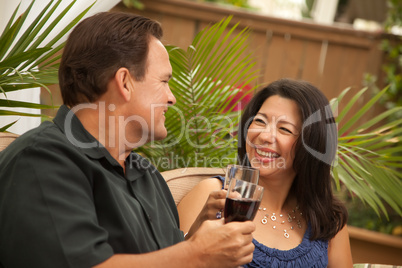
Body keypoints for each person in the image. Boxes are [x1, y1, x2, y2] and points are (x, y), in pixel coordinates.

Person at [0, 12, 256, 268]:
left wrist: (196, 238)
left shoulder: (145, 174)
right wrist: (196, 255)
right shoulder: (42, 160)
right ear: (125, 82)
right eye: (164, 81)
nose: (172, 97)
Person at [178, 78, 354, 267]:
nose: (264, 136)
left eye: (284, 129)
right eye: (260, 121)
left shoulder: (329, 221)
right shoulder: (214, 197)